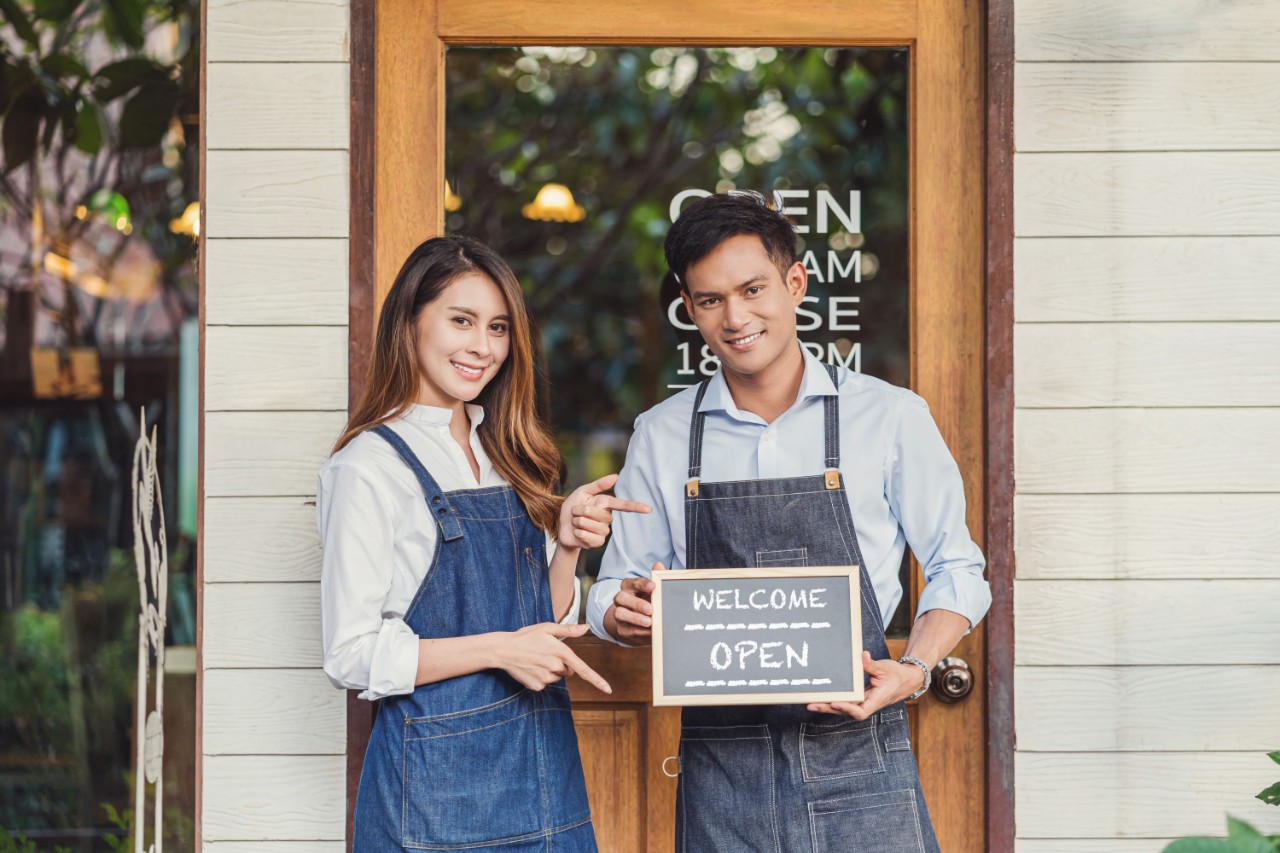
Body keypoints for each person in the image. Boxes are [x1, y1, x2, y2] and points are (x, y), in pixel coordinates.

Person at [586, 192, 991, 852]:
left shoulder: (889, 416)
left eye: (753, 289)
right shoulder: (661, 436)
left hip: (860, 760)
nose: (736, 316)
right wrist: (618, 610)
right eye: (710, 299)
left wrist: (915, 668)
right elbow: (612, 588)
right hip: (721, 775)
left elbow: (957, 568)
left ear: (795, 283)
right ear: (689, 309)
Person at [318, 235, 650, 852]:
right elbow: (350, 653)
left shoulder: (509, 455)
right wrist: (502, 650)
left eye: (498, 328)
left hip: (543, 772)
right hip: (434, 793)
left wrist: (570, 545)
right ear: (410, 321)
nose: (483, 347)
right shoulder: (367, 467)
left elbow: (543, 626)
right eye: (461, 321)